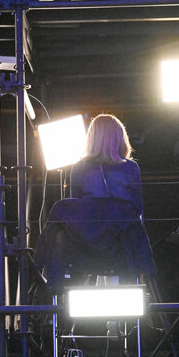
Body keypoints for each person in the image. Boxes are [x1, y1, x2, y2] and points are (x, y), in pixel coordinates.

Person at [35, 114, 155, 291]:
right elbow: (138, 208)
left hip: (83, 246)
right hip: (120, 245)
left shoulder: (79, 168)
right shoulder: (130, 168)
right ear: (119, 137)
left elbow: (75, 213)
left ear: (91, 138)